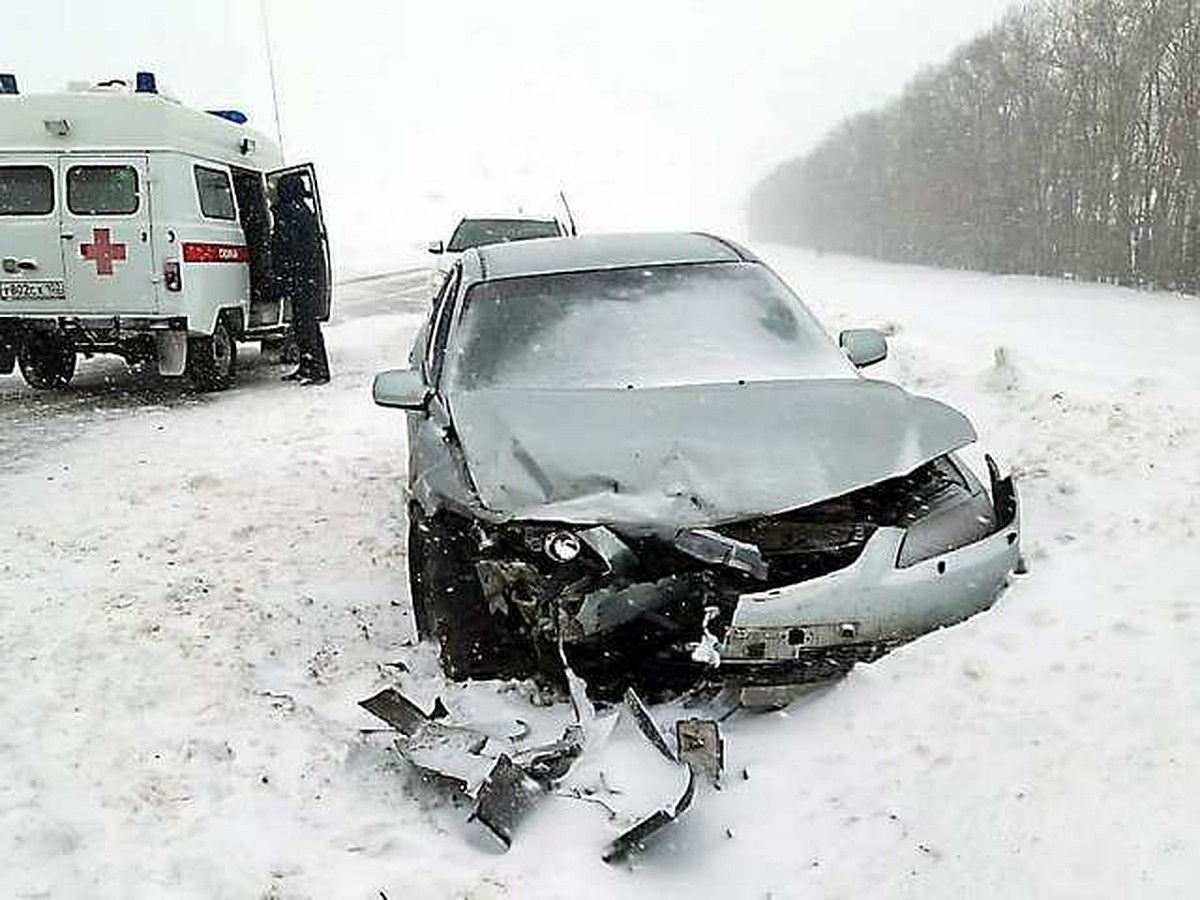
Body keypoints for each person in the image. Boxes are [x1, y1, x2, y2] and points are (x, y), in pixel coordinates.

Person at [271, 173, 330, 385]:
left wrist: (285, 275)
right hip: (304, 278)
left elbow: (289, 249)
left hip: (302, 279)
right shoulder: (302, 212)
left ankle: (317, 370)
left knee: (306, 325)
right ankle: (309, 366)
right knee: (304, 325)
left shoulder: (293, 214)